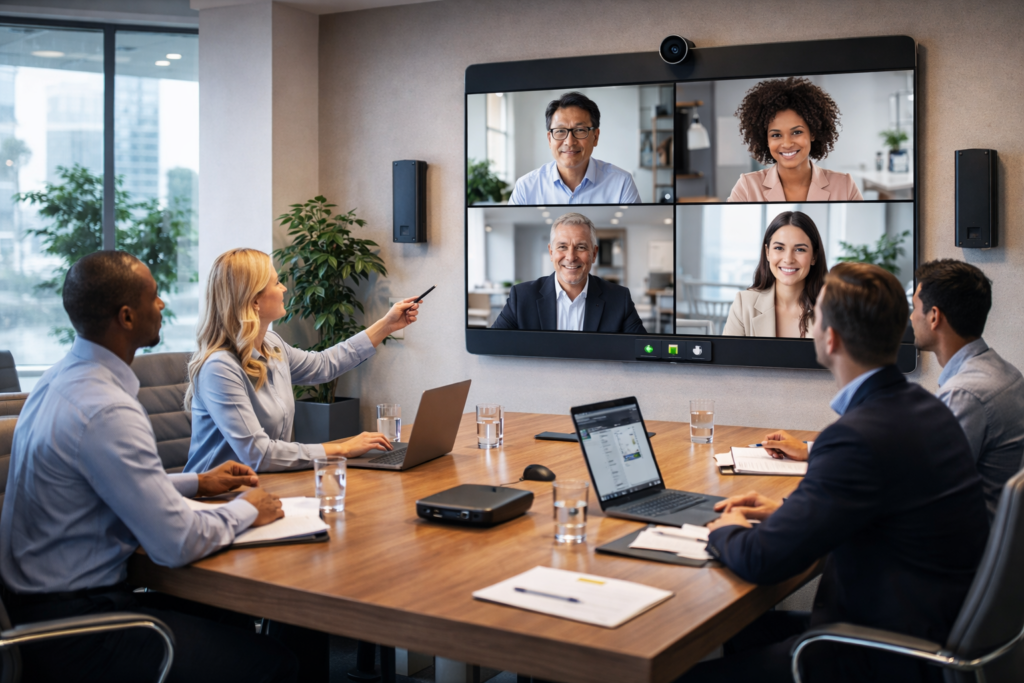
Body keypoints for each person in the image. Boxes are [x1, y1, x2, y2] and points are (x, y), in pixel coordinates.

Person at [680, 263, 988, 683]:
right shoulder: (927, 409)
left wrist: (725, 529)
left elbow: (762, 560)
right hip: (926, 633)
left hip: (880, 658)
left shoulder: (856, 437)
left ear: (830, 338)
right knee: (743, 632)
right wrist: (786, 513)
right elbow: (874, 510)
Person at [0, 250, 298, 683]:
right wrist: (247, 509)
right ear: (126, 317)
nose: (162, 304)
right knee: (276, 663)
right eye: (153, 296)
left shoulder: (59, 379)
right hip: (80, 633)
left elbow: (100, 485)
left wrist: (197, 482)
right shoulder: (107, 409)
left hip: (37, 610)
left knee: (229, 617)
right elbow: (176, 543)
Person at [184, 248, 419, 474]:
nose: (284, 288)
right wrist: (343, 448)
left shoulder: (273, 345)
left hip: (266, 483)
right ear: (254, 300)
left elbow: (323, 365)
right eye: (277, 282)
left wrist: (387, 325)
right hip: (216, 495)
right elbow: (259, 454)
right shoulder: (219, 368)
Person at [911, 259, 1024, 519]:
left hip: (960, 537)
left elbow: (923, 488)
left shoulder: (965, 393)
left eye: (915, 307)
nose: (911, 316)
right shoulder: (1006, 372)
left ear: (934, 316)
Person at [490, 212, 646, 333]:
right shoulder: (521, 297)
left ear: (594, 254)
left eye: (581, 247)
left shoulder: (619, 299)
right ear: (551, 252)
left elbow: (643, 350)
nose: (571, 257)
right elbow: (493, 346)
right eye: (562, 247)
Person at [728, 77, 863, 202]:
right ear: (766, 140)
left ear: (813, 133)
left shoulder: (845, 186)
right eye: (776, 135)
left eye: (797, 132)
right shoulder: (747, 188)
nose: (787, 144)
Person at [508, 91, 640, 205]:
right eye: (560, 131)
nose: (570, 142)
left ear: (595, 136)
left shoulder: (622, 183)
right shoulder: (526, 187)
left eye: (580, 130)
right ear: (549, 139)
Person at [722, 210, 827, 338]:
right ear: (767, 252)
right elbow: (727, 352)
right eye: (779, 248)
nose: (788, 259)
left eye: (800, 249)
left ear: (814, 256)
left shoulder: (831, 308)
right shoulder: (744, 304)